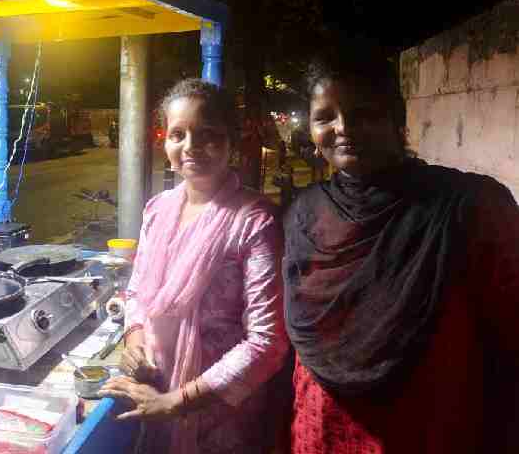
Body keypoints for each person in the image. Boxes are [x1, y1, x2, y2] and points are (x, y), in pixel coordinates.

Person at [284, 56, 519, 453]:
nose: (343, 128)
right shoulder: (304, 213)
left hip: (429, 425)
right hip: (321, 427)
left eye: (363, 113)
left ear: (396, 118)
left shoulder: (470, 206)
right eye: (326, 116)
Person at [100, 79, 290, 454]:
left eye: (207, 135)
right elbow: (138, 292)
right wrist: (135, 339)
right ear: (165, 141)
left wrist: (175, 403)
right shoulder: (158, 210)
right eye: (177, 134)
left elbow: (267, 343)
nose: (190, 147)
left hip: (217, 412)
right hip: (154, 386)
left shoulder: (254, 221)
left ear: (230, 142)